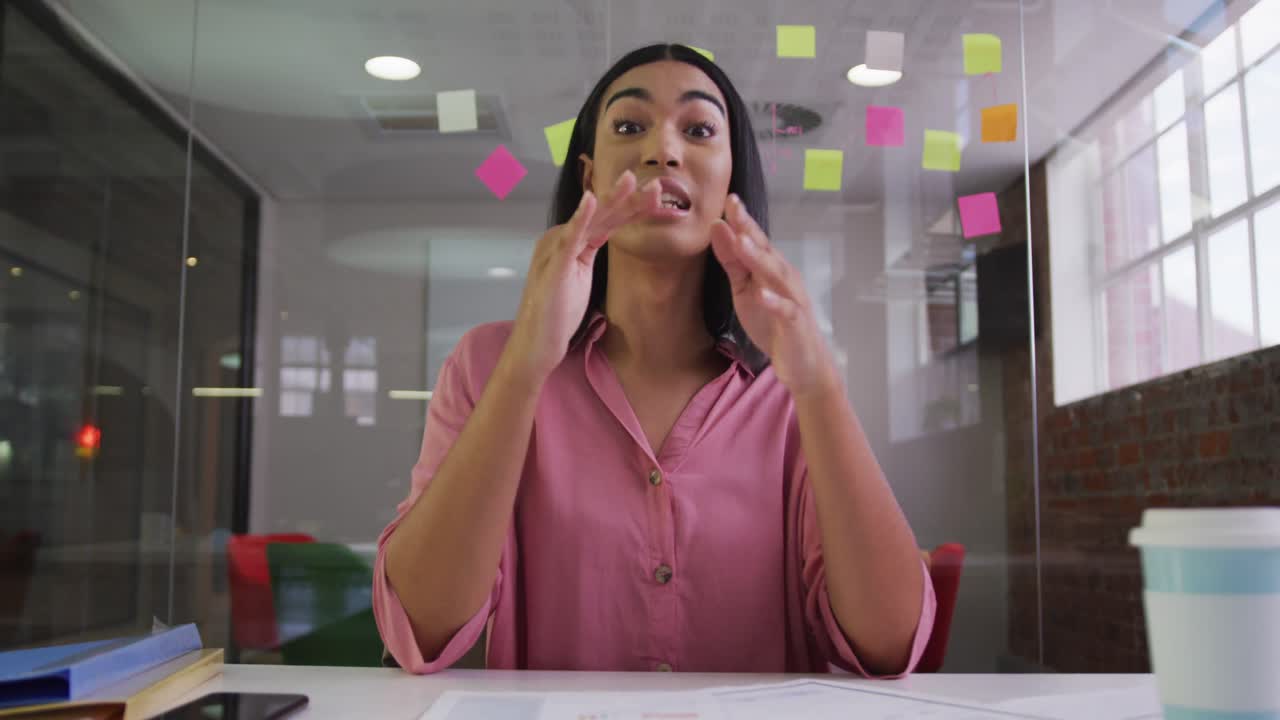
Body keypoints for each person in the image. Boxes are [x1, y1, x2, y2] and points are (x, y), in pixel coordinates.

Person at [375, 43, 935, 676]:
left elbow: (889, 647)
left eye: (698, 131)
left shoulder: (788, 389)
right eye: (629, 127)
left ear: (729, 181)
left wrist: (820, 387)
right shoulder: (486, 363)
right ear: (588, 177)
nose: (661, 152)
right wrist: (526, 364)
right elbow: (416, 630)